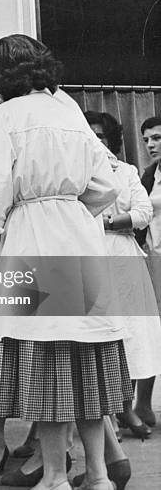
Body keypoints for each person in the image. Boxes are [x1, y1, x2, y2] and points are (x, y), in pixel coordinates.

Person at [0, 35, 132, 490]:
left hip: (32, 236)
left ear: (1, 78)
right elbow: (105, 185)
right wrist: (71, 202)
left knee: (47, 361)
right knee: (85, 358)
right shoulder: (70, 112)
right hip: (79, 235)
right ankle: (100, 474)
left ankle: (57, 477)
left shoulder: (4, 116)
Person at [85, 112, 161, 442]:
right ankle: (106, 413)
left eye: (101, 137)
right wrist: (120, 219)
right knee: (99, 335)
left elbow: (143, 214)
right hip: (90, 256)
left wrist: (109, 222)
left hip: (125, 257)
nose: (96, 143)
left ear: (112, 141)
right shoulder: (76, 175)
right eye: (90, 137)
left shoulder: (127, 171)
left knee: (130, 333)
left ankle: (126, 406)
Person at [132, 115, 161, 428]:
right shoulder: (149, 176)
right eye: (147, 140)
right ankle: (142, 404)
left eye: (157, 138)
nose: (151, 145)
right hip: (154, 262)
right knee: (150, 330)